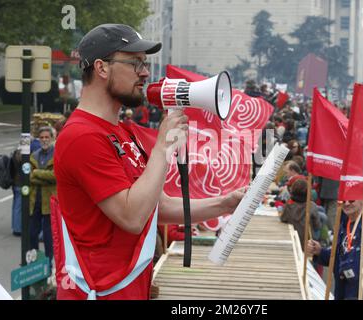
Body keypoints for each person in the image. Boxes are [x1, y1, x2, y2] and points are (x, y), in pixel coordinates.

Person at [54, 24, 245, 300]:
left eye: (144, 64)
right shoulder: (81, 136)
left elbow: (158, 206)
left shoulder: (123, 130)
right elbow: (131, 217)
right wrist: (162, 147)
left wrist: (225, 203)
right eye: (135, 63)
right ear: (102, 68)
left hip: (125, 286)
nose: (145, 72)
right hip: (99, 291)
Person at [306, 200, 363, 300]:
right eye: (344, 201)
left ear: (362, 201)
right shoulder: (344, 224)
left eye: (351, 200)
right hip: (341, 291)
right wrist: (320, 251)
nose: (346, 204)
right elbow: (338, 256)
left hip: (358, 293)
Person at [29, 126, 56, 262]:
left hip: (49, 202)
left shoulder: (57, 154)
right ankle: (34, 262)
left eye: (47, 137)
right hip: (35, 201)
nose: (44, 140)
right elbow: (28, 175)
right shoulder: (34, 155)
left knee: (48, 237)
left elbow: (56, 176)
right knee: (32, 234)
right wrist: (45, 177)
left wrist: (37, 173)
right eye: (42, 137)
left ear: (51, 138)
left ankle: (48, 263)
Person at [280, 179, 321, 246]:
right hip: (307, 242)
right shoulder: (312, 205)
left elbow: (283, 219)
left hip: (292, 238)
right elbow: (317, 225)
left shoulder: (288, 205)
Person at [10, 148, 22, 236]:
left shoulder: (15, 152)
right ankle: (17, 229)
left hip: (15, 182)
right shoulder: (21, 153)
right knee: (18, 206)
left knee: (16, 206)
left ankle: (15, 227)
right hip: (20, 183)